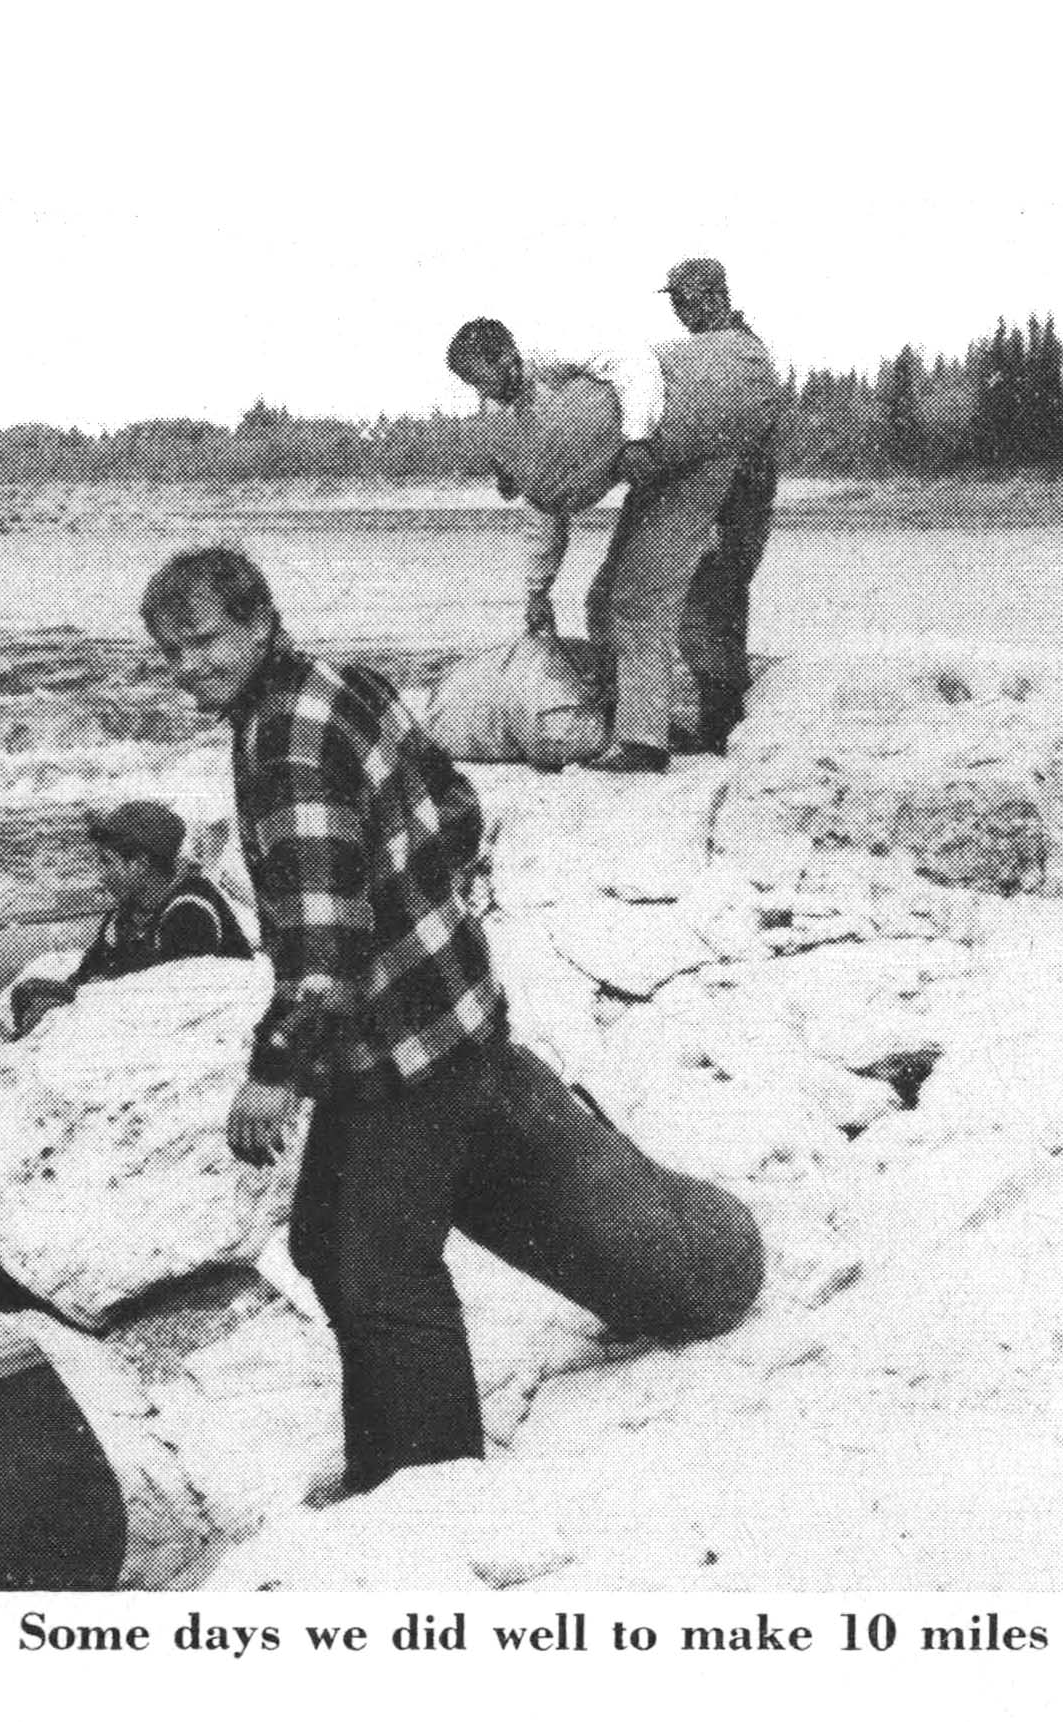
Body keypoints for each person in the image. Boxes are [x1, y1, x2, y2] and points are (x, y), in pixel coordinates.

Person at [141, 543, 741, 1497]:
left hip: (401, 1045)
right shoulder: (341, 684)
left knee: (378, 1263)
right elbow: (455, 811)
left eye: (203, 641)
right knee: (323, 1244)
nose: (187, 668)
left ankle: (430, 1484)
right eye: (169, 652)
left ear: (258, 623)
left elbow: (322, 947)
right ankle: (388, 1460)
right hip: (447, 1009)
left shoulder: (285, 738)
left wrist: (273, 1071)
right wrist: (420, 906)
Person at [446, 304, 781, 770]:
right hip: (662, 466)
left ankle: (644, 742)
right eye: (473, 386)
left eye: (484, 377)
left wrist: (636, 440)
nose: (484, 391)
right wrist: (538, 591)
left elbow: (636, 363)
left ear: (506, 353)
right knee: (602, 600)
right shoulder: (514, 422)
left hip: (696, 451)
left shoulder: (557, 358)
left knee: (641, 600)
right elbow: (547, 509)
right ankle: (633, 720)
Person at [659, 258, 780, 752]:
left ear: (712, 298)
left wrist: (713, 516)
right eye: (675, 305)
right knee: (715, 607)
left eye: (685, 303)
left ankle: (723, 725)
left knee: (710, 605)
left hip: (733, 502)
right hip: (733, 500)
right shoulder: (726, 353)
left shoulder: (737, 357)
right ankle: (722, 721)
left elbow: (736, 442)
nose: (680, 315)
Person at [6, 800, 253, 1035]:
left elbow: (176, 1006)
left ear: (140, 864)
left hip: (198, 1030)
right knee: (29, 994)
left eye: (107, 863)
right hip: (136, 1016)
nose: (101, 876)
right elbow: (88, 973)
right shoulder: (126, 912)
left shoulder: (191, 911)